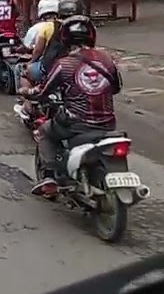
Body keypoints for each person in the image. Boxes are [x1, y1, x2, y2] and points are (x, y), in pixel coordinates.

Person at [21, 15, 122, 195]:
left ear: (65, 38)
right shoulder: (107, 59)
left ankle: (49, 176)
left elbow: (43, 91)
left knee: (45, 130)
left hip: (77, 123)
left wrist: (28, 92)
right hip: (108, 123)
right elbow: (116, 88)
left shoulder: (64, 63)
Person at [13, 0, 58, 116]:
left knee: (23, 70)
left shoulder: (42, 27)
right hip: (70, 66)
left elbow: (37, 49)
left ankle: (25, 103)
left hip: (48, 66)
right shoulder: (67, 26)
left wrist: (32, 61)